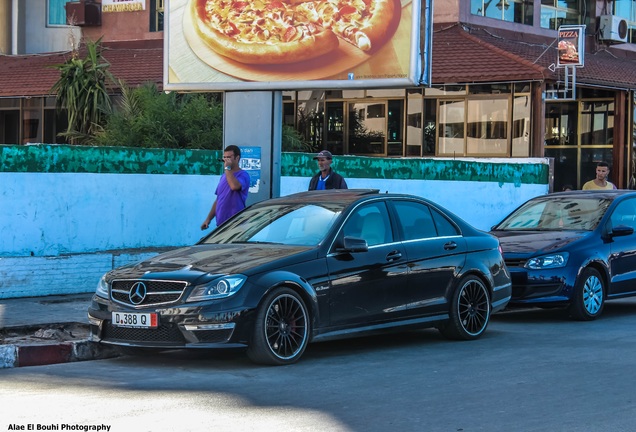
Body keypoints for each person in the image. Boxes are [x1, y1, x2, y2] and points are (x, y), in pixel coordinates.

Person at [201, 145, 250, 229]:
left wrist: (227, 168)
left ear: (237, 158)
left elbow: (234, 186)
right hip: (221, 223)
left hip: (236, 223)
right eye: (225, 157)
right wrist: (208, 219)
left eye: (229, 157)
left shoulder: (243, 175)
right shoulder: (224, 176)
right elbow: (218, 199)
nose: (226, 160)